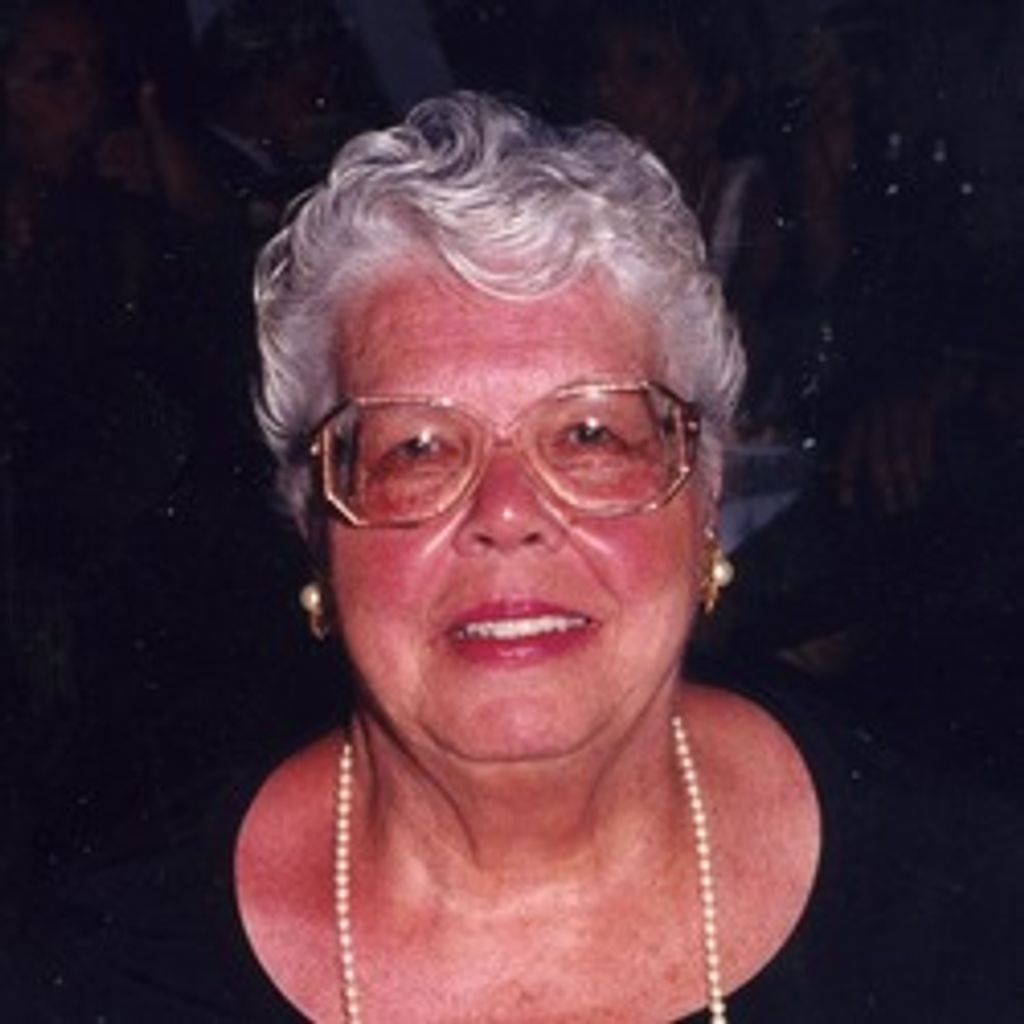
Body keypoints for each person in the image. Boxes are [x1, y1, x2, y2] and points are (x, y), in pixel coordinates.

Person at [10, 91, 1021, 1023]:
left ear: (705, 500)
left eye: (589, 435)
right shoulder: (90, 977)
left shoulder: (967, 907)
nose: (505, 513)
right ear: (315, 525)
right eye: (415, 448)